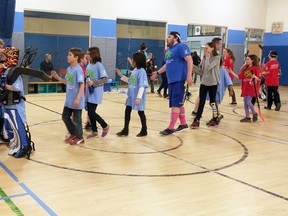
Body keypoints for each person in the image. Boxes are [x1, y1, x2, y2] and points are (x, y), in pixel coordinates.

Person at [151, 31, 193, 135]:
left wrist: (189, 75)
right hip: (171, 81)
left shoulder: (181, 47)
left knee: (176, 104)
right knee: (178, 102)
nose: (167, 39)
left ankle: (170, 127)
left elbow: (190, 60)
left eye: (169, 37)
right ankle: (183, 124)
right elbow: (167, 65)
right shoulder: (169, 51)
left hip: (180, 80)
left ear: (176, 38)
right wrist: (157, 72)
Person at [51, 48, 85, 145]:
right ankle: (73, 133)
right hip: (69, 100)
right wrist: (58, 78)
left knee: (77, 120)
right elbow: (67, 82)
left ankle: (80, 137)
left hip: (76, 100)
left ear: (76, 57)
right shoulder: (69, 69)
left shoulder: (78, 70)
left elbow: (82, 84)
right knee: (65, 116)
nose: (67, 56)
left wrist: (78, 98)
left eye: (70, 55)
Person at [115, 51, 148, 137]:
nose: (132, 62)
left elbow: (142, 86)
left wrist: (139, 97)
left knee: (141, 112)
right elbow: (130, 81)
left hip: (137, 96)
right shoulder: (134, 70)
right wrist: (121, 75)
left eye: (133, 60)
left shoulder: (142, 71)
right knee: (127, 111)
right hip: (131, 96)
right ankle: (125, 129)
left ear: (138, 61)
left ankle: (144, 130)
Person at [190, 42, 221, 128]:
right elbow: (202, 72)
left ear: (212, 48)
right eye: (204, 48)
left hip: (213, 83)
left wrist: (206, 58)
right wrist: (193, 68)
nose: (205, 50)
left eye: (207, 48)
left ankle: (215, 118)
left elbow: (209, 67)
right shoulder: (205, 58)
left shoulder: (217, 58)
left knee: (212, 102)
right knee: (201, 102)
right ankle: (197, 120)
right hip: (204, 83)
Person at [228, 54, 261, 122]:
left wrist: (255, 77)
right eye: (246, 59)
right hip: (245, 87)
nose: (246, 60)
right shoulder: (245, 68)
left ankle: (254, 113)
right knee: (245, 102)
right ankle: (247, 116)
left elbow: (259, 79)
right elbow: (239, 77)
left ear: (252, 60)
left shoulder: (256, 68)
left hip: (251, 88)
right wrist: (231, 72)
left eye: (248, 59)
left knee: (248, 101)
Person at [85, 47, 109, 139]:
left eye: (88, 53)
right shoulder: (88, 66)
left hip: (96, 92)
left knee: (91, 112)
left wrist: (94, 83)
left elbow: (105, 79)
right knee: (90, 112)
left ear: (93, 54)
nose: (87, 55)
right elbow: (88, 77)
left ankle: (105, 125)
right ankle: (94, 131)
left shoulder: (99, 65)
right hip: (89, 92)